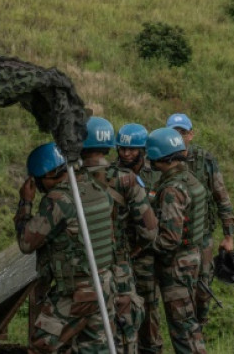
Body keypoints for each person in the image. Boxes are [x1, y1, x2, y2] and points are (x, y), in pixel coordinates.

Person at [15, 142, 116, 353]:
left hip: (78, 291)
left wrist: (25, 203)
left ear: (47, 176)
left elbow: (26, 242)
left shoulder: (59, 199)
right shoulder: (94, 187)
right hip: (103, 284)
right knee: (93, 348)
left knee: (41, 345)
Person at [78, 117, 157, 354]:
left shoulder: (68, 178)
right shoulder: (125, 179)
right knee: (125, 330)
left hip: (79, 268)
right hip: (118, 266)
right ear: (111, 145)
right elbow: (150, 230)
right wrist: (133, 250)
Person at [166, 113, 234, 331]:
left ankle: (200, 327)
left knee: (203, 285)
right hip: (173, 238)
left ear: (191, 135)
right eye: (173, 133)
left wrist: (228, 236)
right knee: (175, 287)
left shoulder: (204, 160)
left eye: (183, 133)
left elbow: (221, 196)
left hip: (202, 237)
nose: (179, 137)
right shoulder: (159, 159)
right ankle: (181, 328)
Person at [146, 128, 208, 354]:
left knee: (183, 328)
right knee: (187, 323)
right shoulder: (188, 177)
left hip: (176, 265)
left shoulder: (172, 188)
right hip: (190, 259)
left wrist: (144, 248)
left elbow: (169, 239)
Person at [115, 123, 162, 354]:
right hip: (117, 253)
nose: (126, 153)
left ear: (143, 150)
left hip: (146, 254)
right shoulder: (112, 174)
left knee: (148, 310)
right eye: (122, 148)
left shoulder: (156, 175)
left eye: (132, 149)